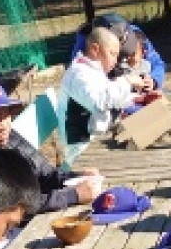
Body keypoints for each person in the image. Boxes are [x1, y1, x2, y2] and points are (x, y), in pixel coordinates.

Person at [0, 77, 100, 212]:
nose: (4, 126)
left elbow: (47, 175)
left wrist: (76, 177)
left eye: (7, 116)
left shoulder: (8, 138)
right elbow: (10, 208)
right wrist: (72, 196)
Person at [57, 25, 134, 166]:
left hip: (91, 139)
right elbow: (99, 102)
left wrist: (136, 98)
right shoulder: (79, 74)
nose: (115, 61)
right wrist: (128, 81)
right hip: (78, 150)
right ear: (95, 49)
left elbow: (108, 96)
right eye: (112, 54)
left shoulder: (91, 70)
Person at [71, 12, 166, 89]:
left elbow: (157, 62)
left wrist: (154, 80)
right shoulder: (84, 47)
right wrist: (125, 83)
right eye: (114, 54)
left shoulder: (134, 32)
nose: (126, 58)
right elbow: (89, 87)